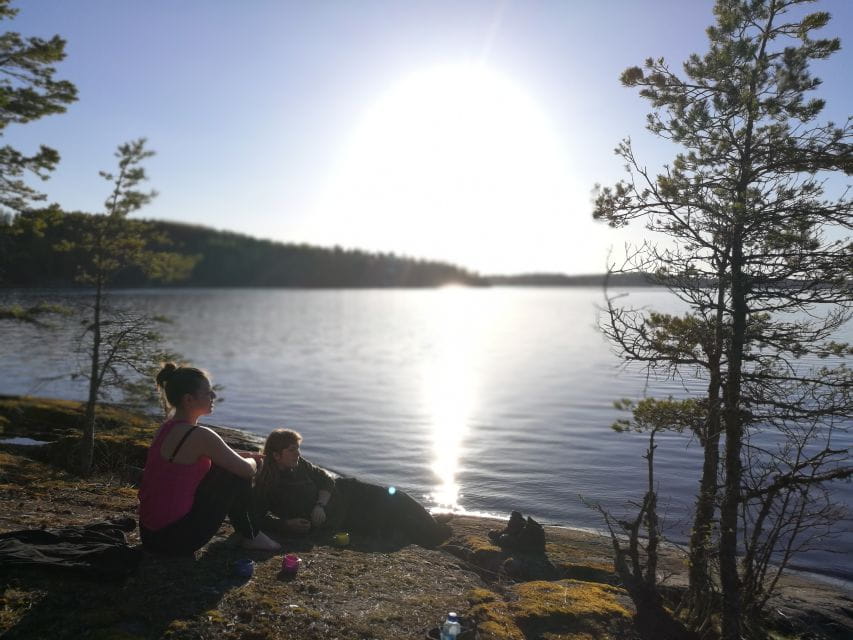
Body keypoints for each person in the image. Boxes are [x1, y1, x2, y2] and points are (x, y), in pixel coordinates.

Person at [138, 363, 281, 555]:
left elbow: (193, 462)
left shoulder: (166, 429)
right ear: (189, 399)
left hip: (149, 534)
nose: (213, 396)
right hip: (174, 540)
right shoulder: (200, 436)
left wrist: (237, 457)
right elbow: (247, 471)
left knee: (227, 466)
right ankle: (252, 535)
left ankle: (250, 533)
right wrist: (255, 461)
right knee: (237, 473)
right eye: (208, 393)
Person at [253, 428, 452, 548]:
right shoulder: (267, 483)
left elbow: (325, 478)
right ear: (276, 455)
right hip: (342, 517)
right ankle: (432, 532)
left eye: (298, 448)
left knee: (397, 497)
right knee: (390, 521)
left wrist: (319, 505)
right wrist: (286, 525)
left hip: (347, 492)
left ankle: (433, 527)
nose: (298, 453)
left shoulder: (298, 463)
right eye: (292, 450)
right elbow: (255, 518)